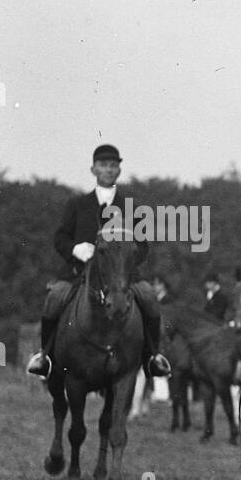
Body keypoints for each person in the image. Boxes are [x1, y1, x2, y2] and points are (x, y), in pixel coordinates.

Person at [26, 144, 171, 380]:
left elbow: (143, 245)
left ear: (119, 171)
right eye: (103, 165)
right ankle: (45, 356)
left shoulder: (131, 207)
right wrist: (76, 249)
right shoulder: (77, 204)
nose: (108, 170)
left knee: (149, 297)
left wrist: (127, 261)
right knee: (54, 297)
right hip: (79, 272)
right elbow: (60, 237)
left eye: (113, 166)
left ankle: (153, 357)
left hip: (122, 276)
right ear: (93, 169)